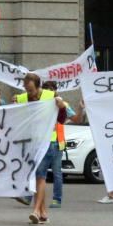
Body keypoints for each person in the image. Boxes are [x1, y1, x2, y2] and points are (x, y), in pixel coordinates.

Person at [14, 73, 61, 224]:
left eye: (32, 90)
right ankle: (43, 212)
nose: (30, 94)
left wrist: (60, 105)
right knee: (37, 176)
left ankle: (35, 210)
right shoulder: (22, 98)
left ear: (39, 87)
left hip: (48, 142)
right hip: (31, 144)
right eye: (27, 90)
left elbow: (61, 118)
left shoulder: (50, 96)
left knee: (39, 175)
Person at [40, 80, 73, 209]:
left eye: (50, 89)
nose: (48, 92)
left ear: (55, 90)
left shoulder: (62, 104)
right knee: (38, 171)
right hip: (43, 141)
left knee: (56, 173)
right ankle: (30, 196)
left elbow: (74, 117)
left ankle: (57, 199)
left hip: (57, 142)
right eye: (45, 89)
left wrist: (80, 108)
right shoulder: (41, 103)